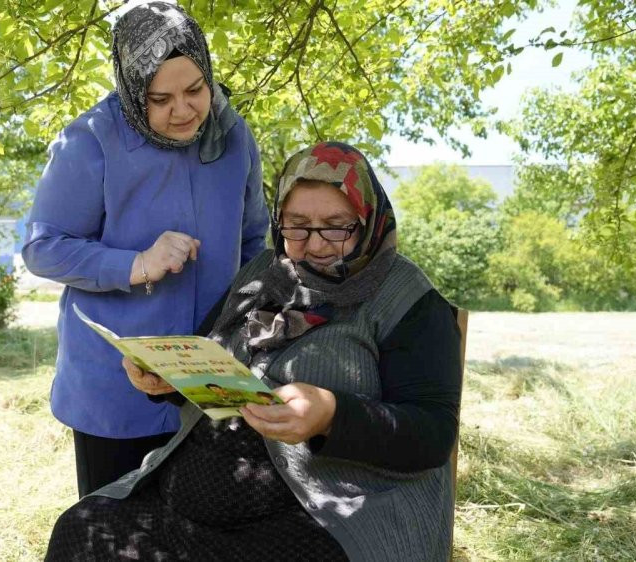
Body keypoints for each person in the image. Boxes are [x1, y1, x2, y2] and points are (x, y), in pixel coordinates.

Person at [45, 142, 463, 561]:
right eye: (296, 226)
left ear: (367, 219)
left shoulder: (406, 299)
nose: (314, 245)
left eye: (336, 226)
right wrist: (167, 380)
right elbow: (211, 356)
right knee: (82, 529)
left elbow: (431, 433)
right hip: (189, 506)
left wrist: (331, 414)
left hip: (320, 514)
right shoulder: (264, 273)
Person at [21, 1, 269, 499]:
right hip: (116, 391)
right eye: (160, 98)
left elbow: (252, 244)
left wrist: (242, 339)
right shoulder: (89, 141)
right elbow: (42, 248)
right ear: (133, 91)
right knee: (115, 529)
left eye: (196, 90)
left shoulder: (234, 135)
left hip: (209, 382)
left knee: (203, 530)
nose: (183, 111)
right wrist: (135, 264)